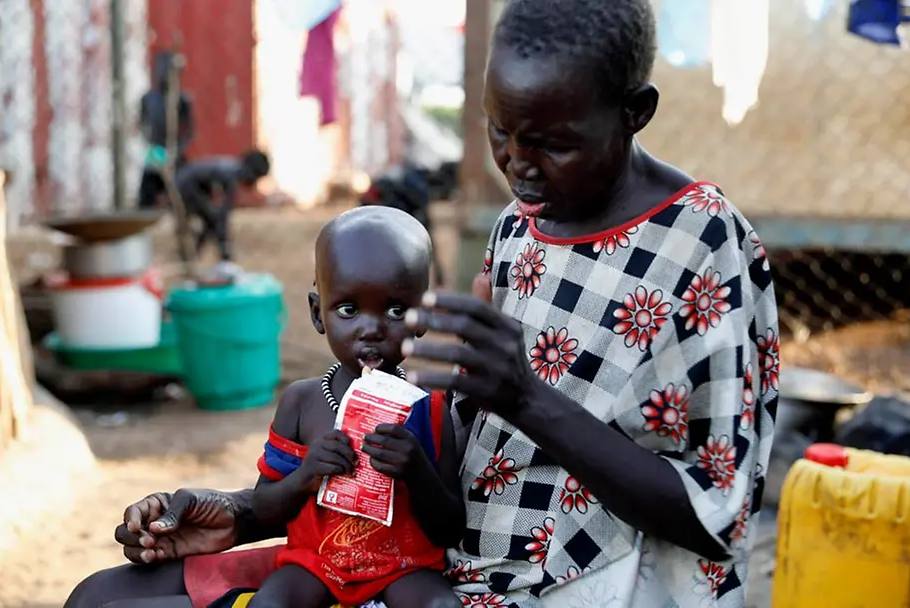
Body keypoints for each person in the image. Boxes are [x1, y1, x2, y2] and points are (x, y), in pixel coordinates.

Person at [66, 0, 780, 606]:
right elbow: (439, 463)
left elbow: (713, 517)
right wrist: (239, 513)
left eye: (555, 143)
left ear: (635, 113)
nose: (520, 166)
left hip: (571, 581)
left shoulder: (702, 247)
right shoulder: (522, 222)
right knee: (103, 598)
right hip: (437, 558)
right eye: (501, 132)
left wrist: (524, 398)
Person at [245, 205, 464, 607]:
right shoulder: (302, 402)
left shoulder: (430, 409)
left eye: (396, 310)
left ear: (423, 318)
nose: (371, 329)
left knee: (441, 606)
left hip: (403, 565)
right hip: (316, 563)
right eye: (348, 309)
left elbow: (450, 527)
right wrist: (306, 474)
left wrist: (417, 470)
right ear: (317, 313)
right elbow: (263, 510)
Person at [174, 150, 270, 262]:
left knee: (212, 220)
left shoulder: (231, 168)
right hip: (185, 188)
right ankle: (204, 256)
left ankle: (192, 254)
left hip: (187, 186)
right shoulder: (229, 174)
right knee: (214, 219)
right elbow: (223, 214)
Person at [138, 51, 195, 210]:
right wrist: (153, 148)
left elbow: (189, 131)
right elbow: (143, 125)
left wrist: (177, 150)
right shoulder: (148, 99)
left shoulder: (182, 99)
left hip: (175, 152)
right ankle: (145, 216)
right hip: (156, 151)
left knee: (182, 186)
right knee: (148, 186)